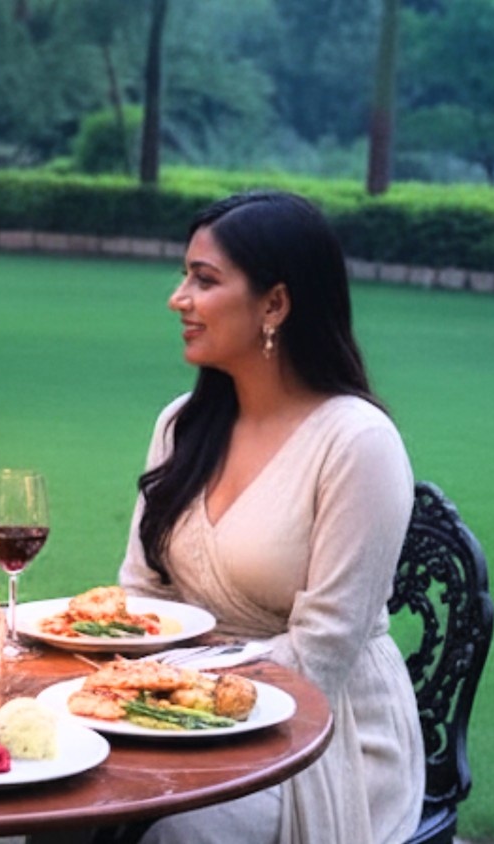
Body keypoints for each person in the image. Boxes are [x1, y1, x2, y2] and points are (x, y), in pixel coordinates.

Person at [117, 191, 424, 843]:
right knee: (50, 786)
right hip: (171, 711)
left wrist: (174, 682)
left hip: (321, 734)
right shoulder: (182, 424)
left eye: (204, 280)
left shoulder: (356, 443)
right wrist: (131, 686)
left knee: (174, 825)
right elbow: (141, 596)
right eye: (185, 276)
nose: (179, 298)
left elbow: (320, 657)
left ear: (275, 304)